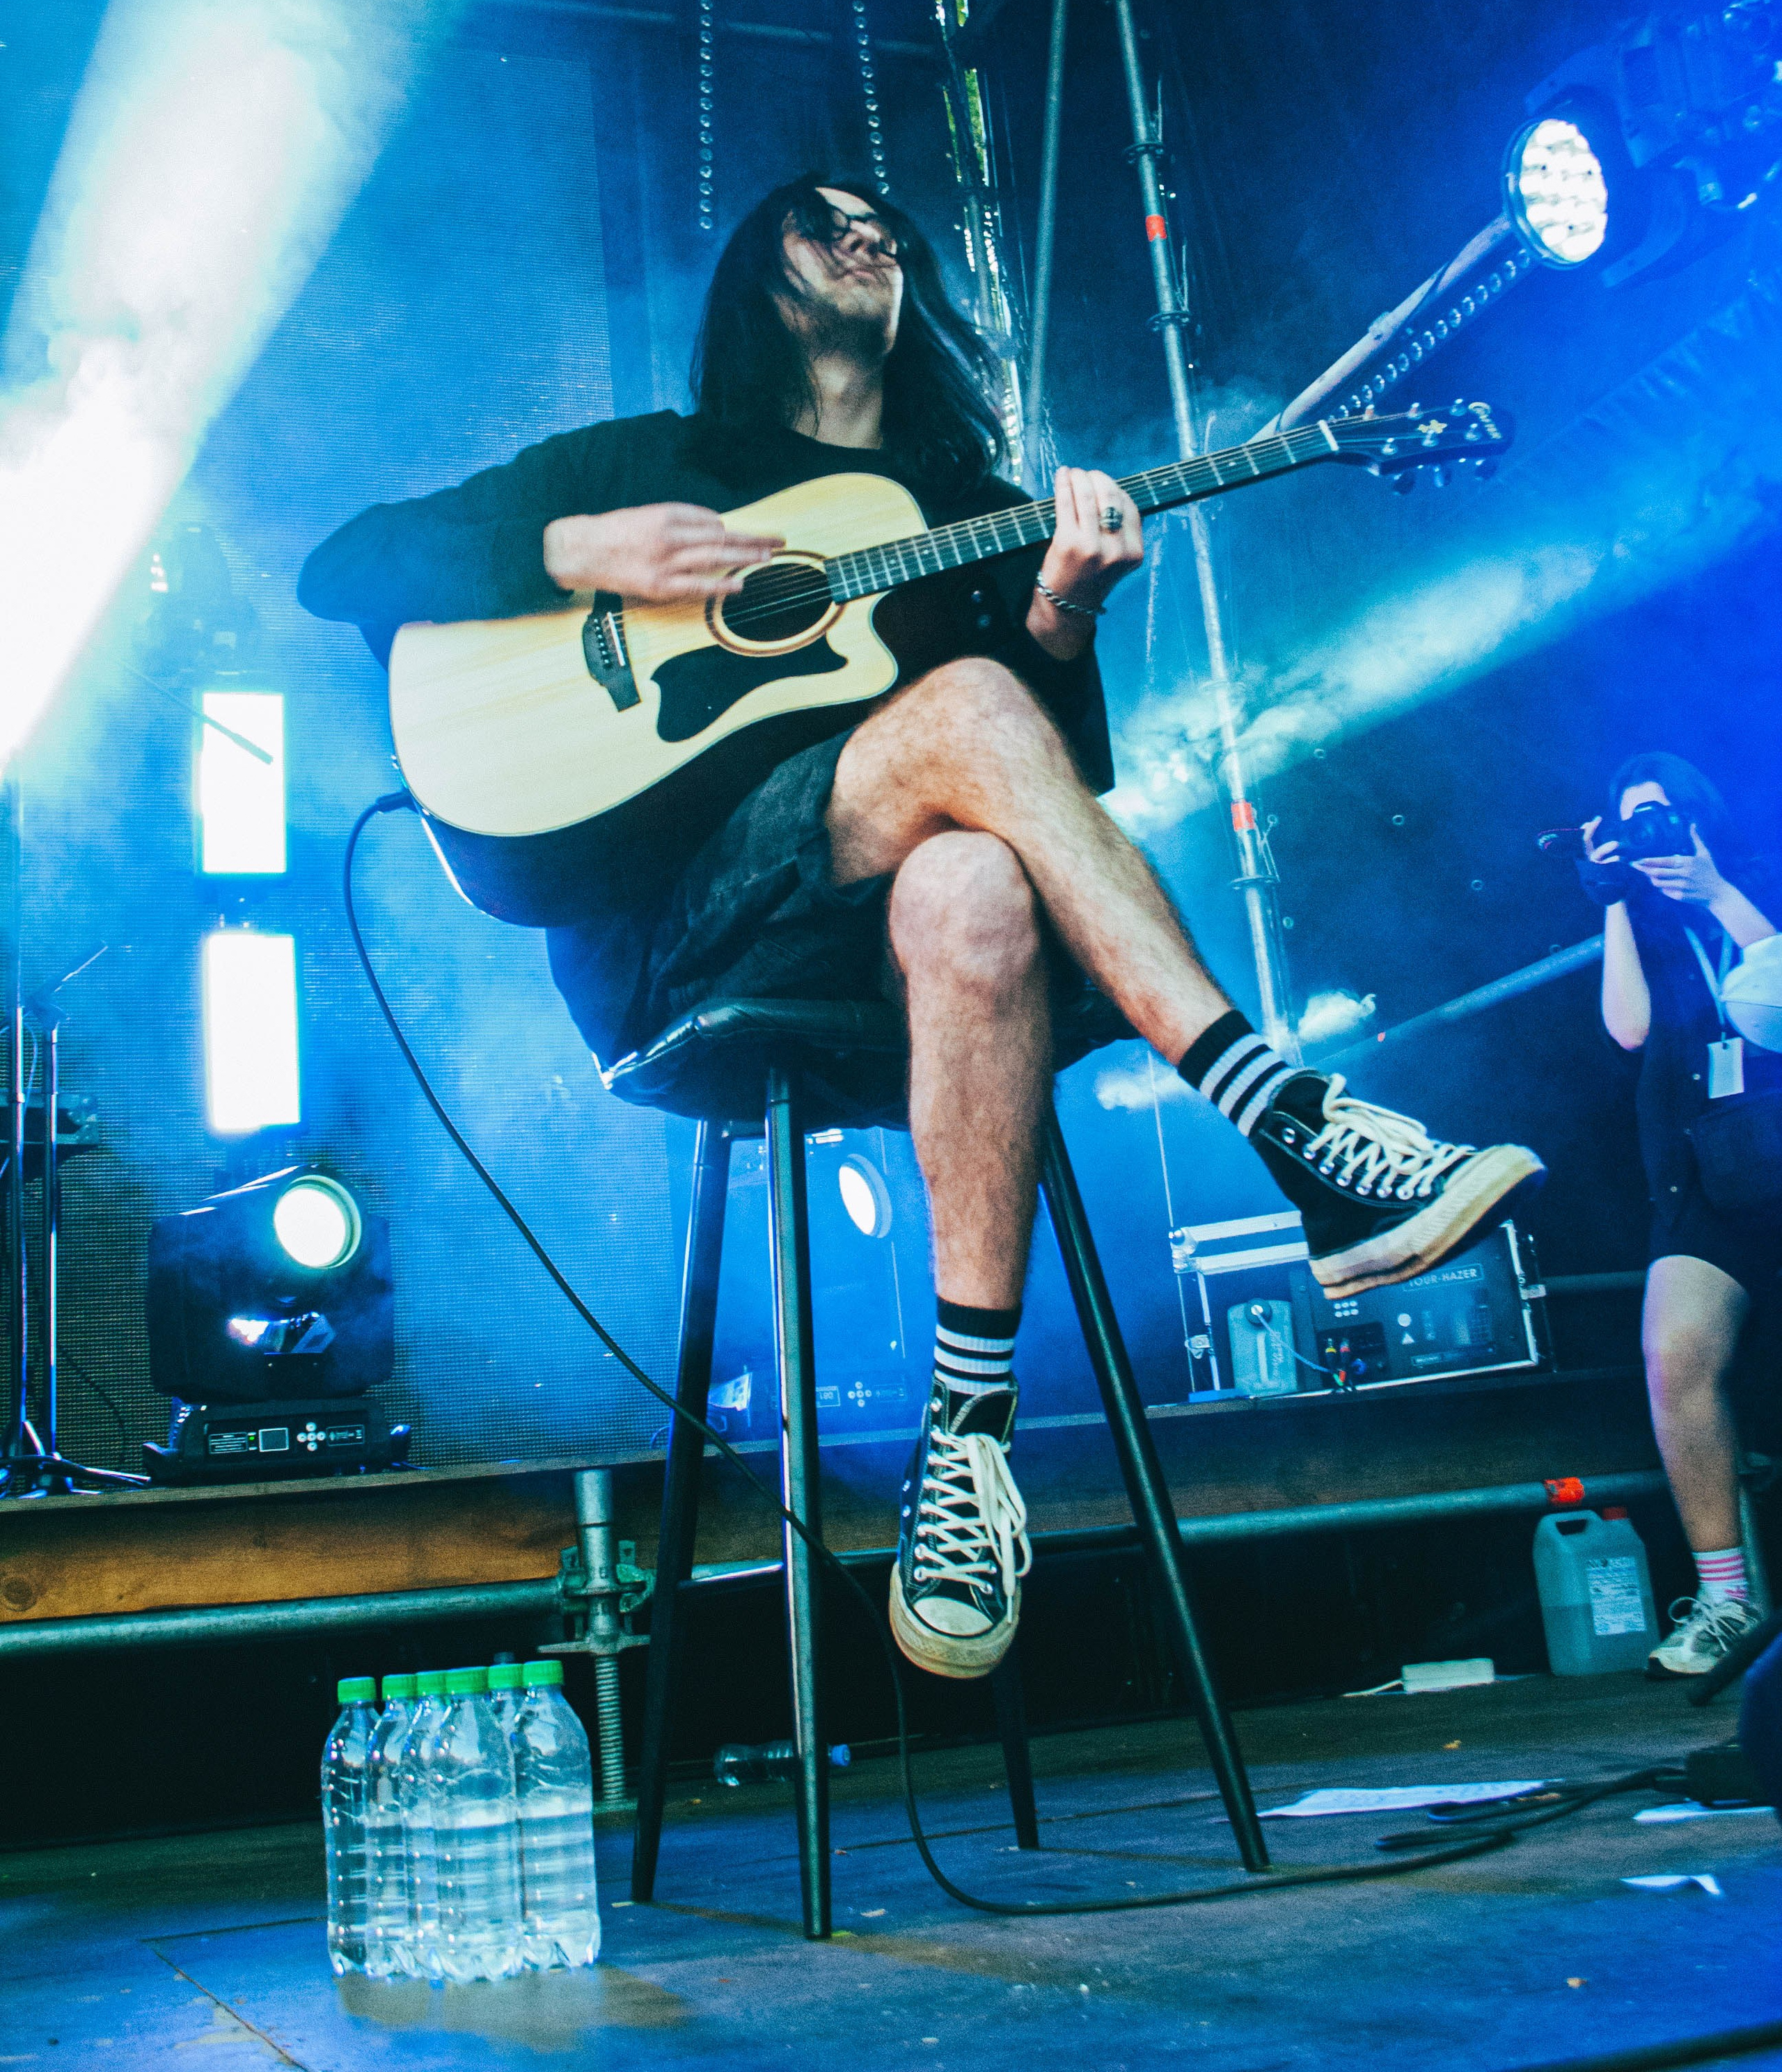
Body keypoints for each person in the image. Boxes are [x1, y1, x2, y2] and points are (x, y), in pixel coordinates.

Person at [301, 174, 1543, 1683]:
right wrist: (577, 549)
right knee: (957, 713)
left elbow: (1051, 781)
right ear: (763, 272)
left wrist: (1064, 610)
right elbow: (345, 561)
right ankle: (1286, 1123)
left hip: (895, 949)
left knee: (981, 876)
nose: (868, 234)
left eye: (886, 224)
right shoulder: (656, 466)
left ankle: (964, 1451)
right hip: (687, 939)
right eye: (826, 221)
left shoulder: (956, 509)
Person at [1582, 752, 1781, 1676]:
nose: (1646, 835)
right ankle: (1727, 1597)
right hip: (1700, 1183)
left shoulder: (1756, 886)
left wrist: (1718, 892)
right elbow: (1626, 1029)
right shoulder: (1649, 928)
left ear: (1698, 815)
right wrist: (1616, 900)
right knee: (1675, 1355)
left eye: (1659, 816)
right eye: (1630, 823)